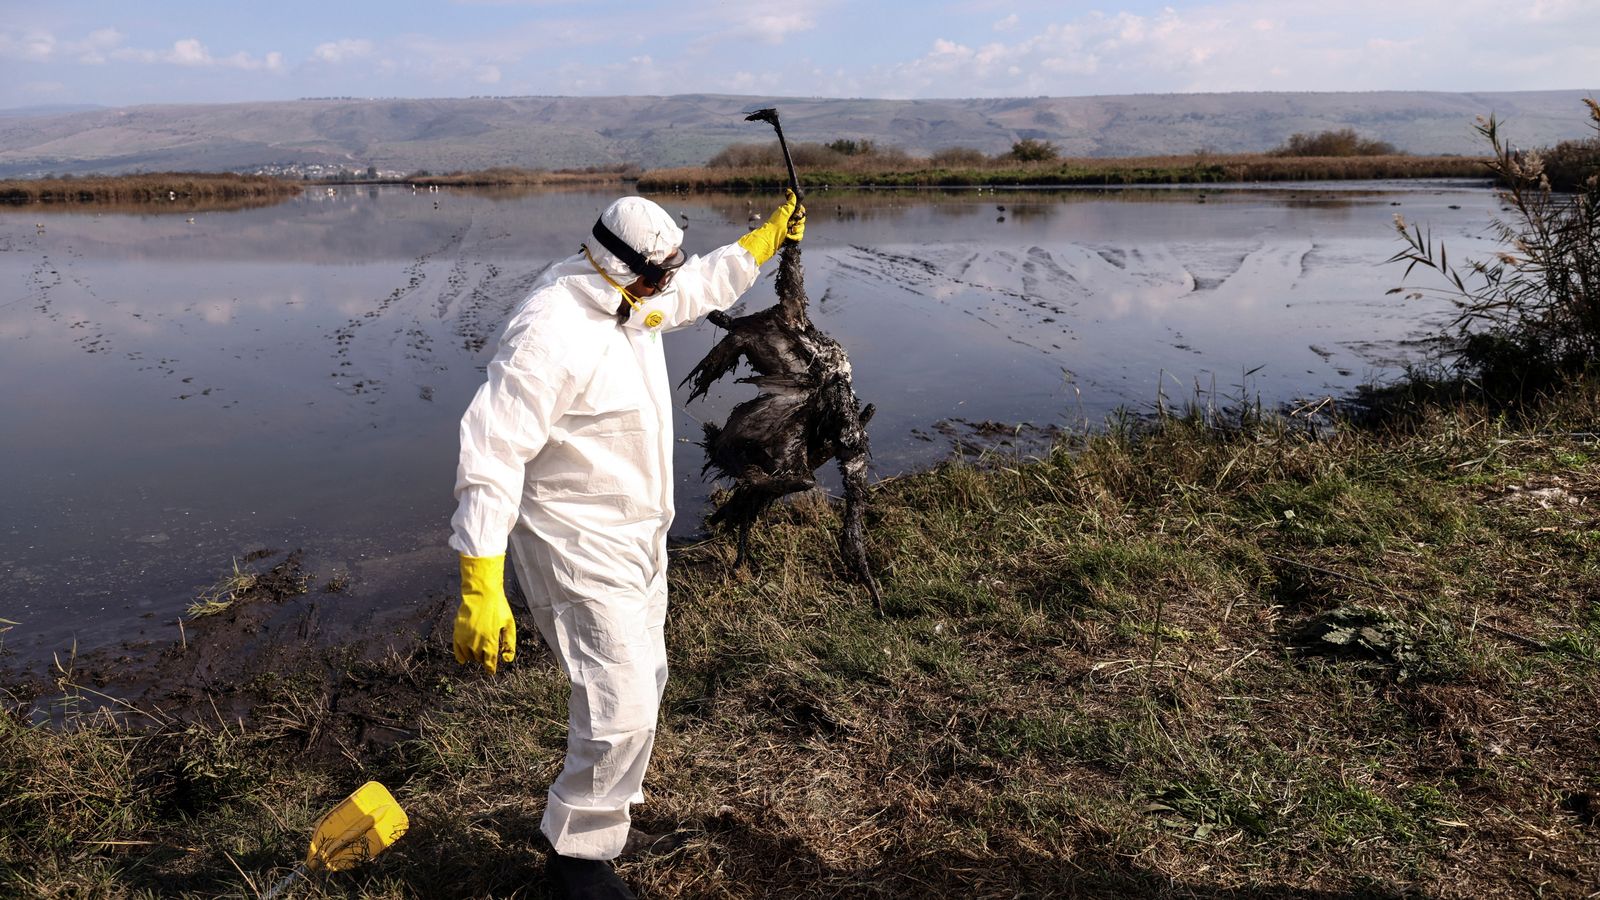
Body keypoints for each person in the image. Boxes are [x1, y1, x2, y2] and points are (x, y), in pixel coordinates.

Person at [448, 190, 805, 899]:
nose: (664, 287)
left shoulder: (630, 294)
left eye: (667, 272)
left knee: (647, 679)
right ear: (617, 265)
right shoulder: (547, 331)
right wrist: (480, 580)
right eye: (655, 275)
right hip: (573, 543)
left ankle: (601, 822)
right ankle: (575, 863)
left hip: (639, 532)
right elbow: (490, 453)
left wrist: (758, 247)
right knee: (619, 703)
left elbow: (683, 296)